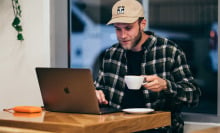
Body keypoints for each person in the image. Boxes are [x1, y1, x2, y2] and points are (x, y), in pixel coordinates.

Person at [94, 0, 201, 132]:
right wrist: (96, 94)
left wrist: (166, 85)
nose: (123, 35)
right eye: (118, 29)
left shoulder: (169, 51)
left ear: (142, 24)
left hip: (158, 129)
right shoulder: (111, 54)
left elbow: (194, 96)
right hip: (118, 127)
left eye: (128, 28)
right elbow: (99, 89)